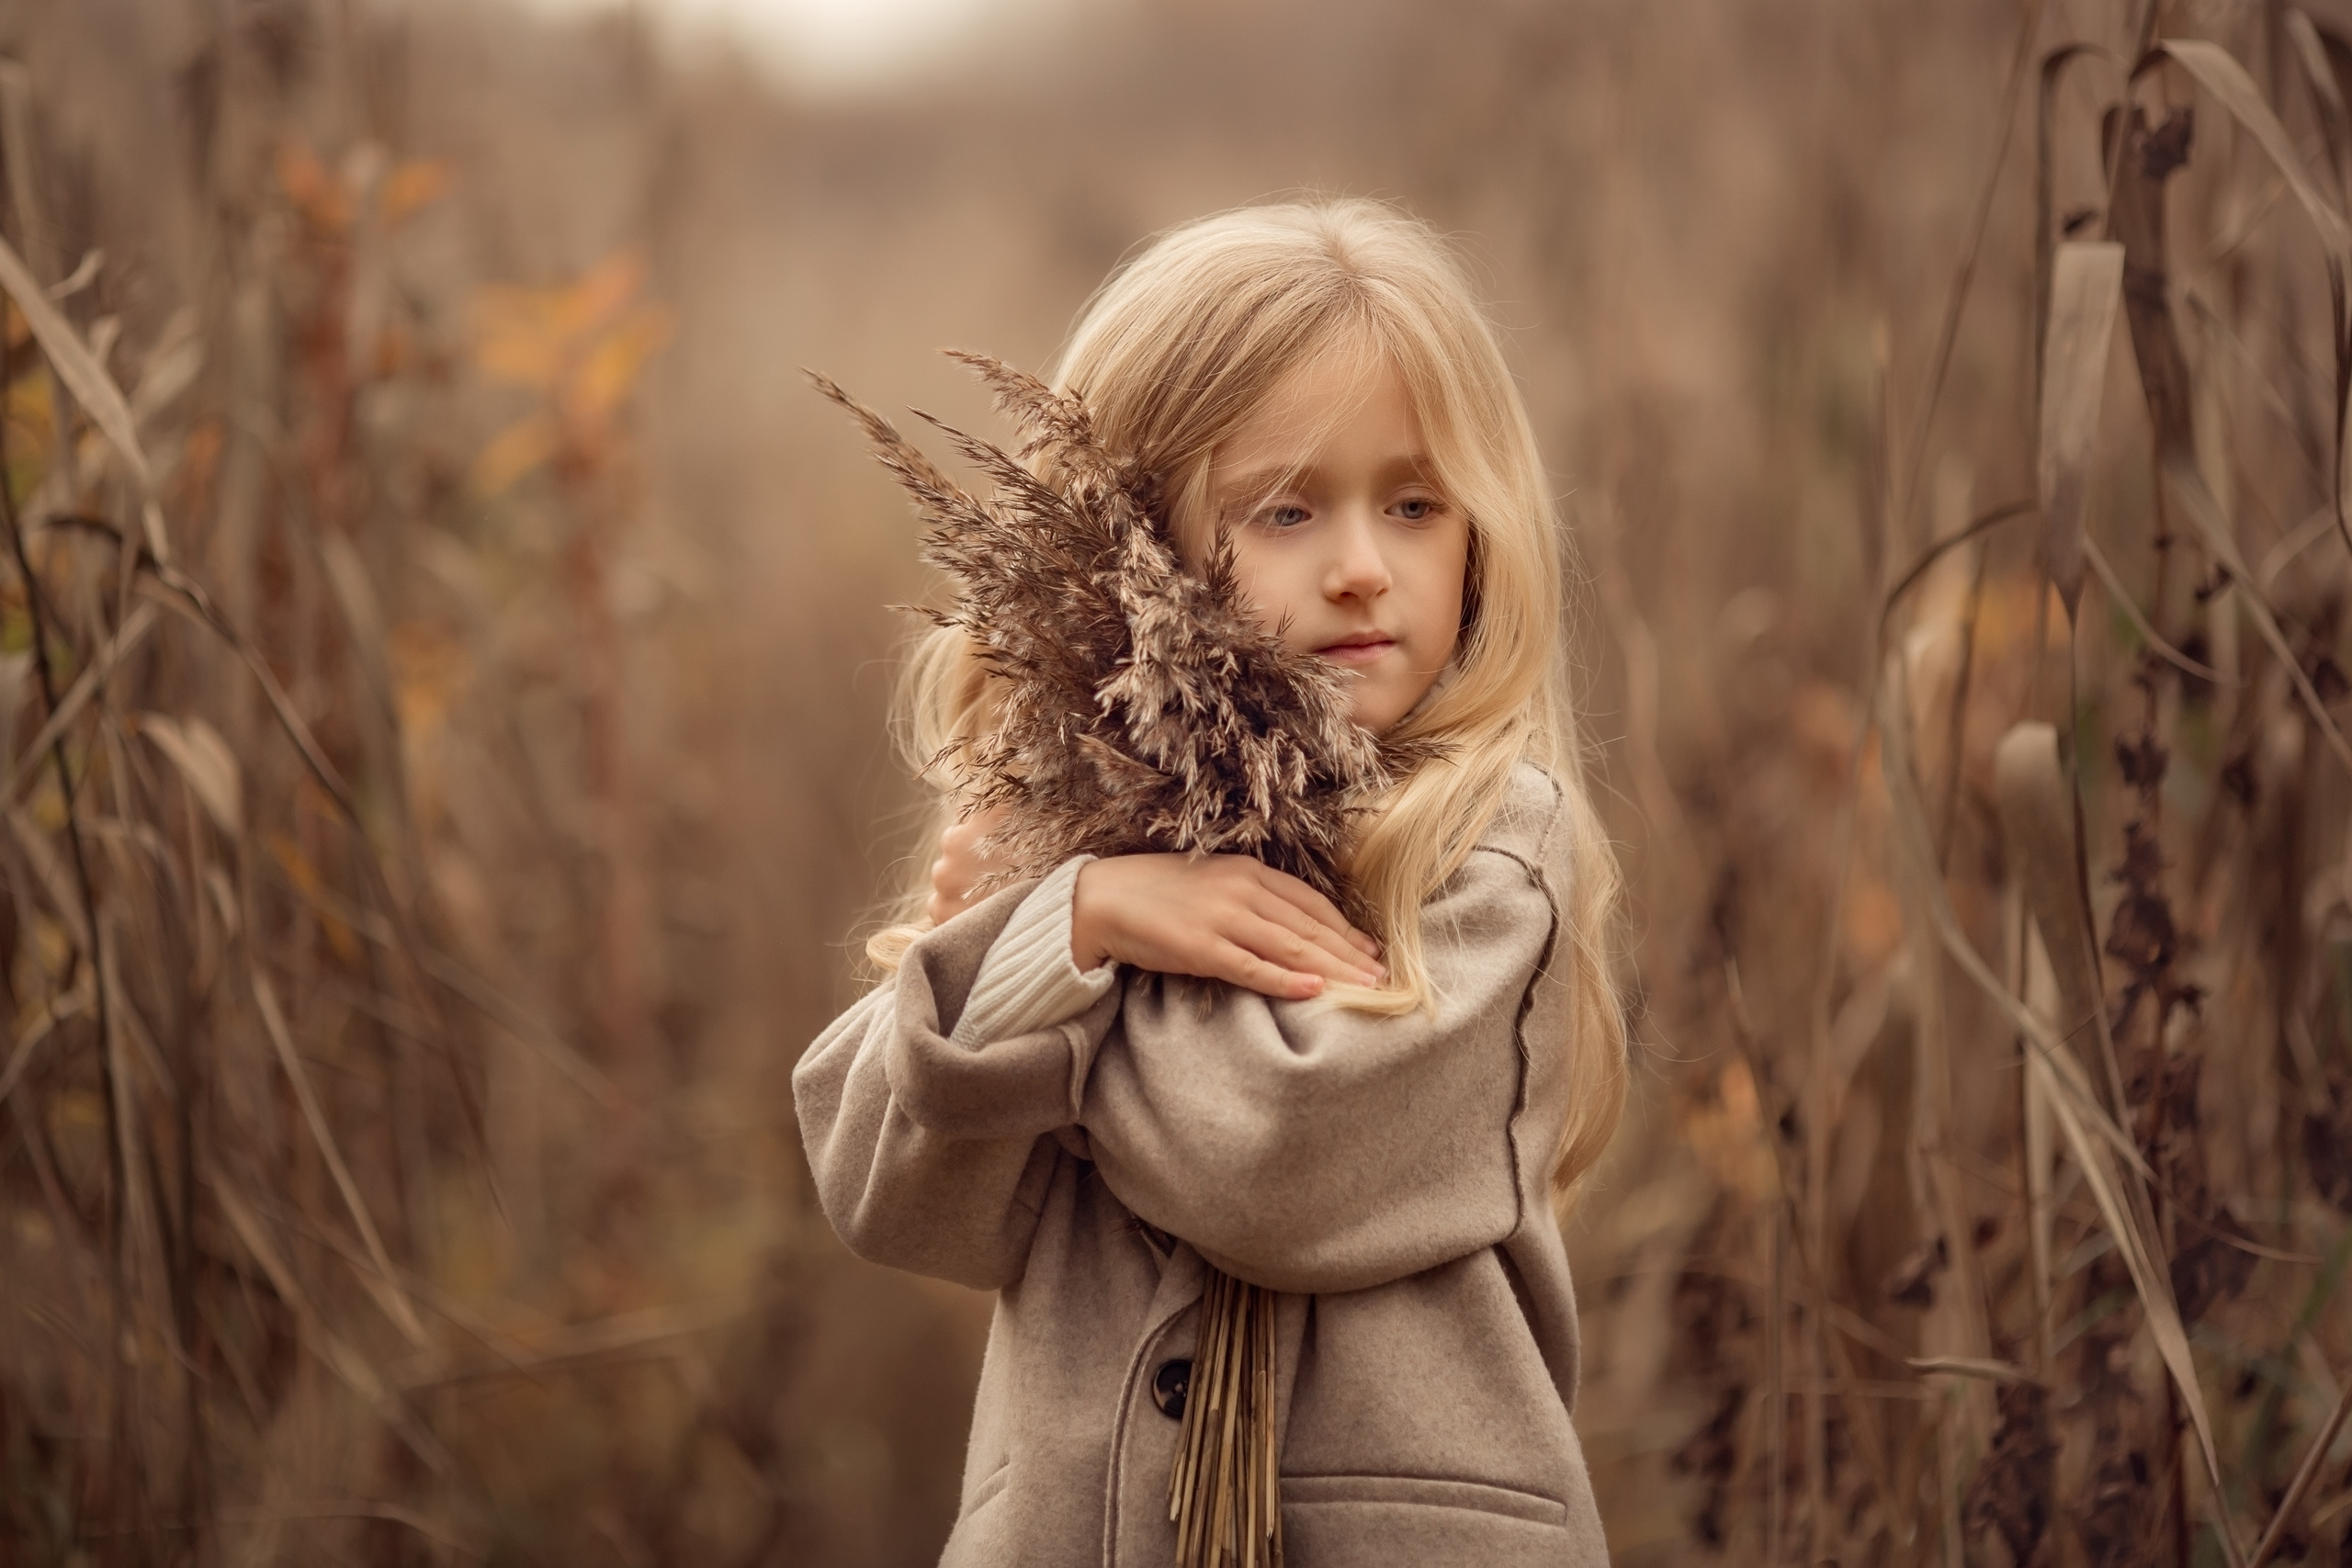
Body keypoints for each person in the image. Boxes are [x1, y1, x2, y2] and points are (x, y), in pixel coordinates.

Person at [793, 197, 1627, 1566]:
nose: (1364, 567)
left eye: (1415, 504)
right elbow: (893, 1188)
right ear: (1131, 558)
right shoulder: (1072, 854)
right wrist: (1080, 918)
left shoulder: (1482, 846)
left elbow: (1275, 1161)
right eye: (1287, 510)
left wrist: (1051, 990)